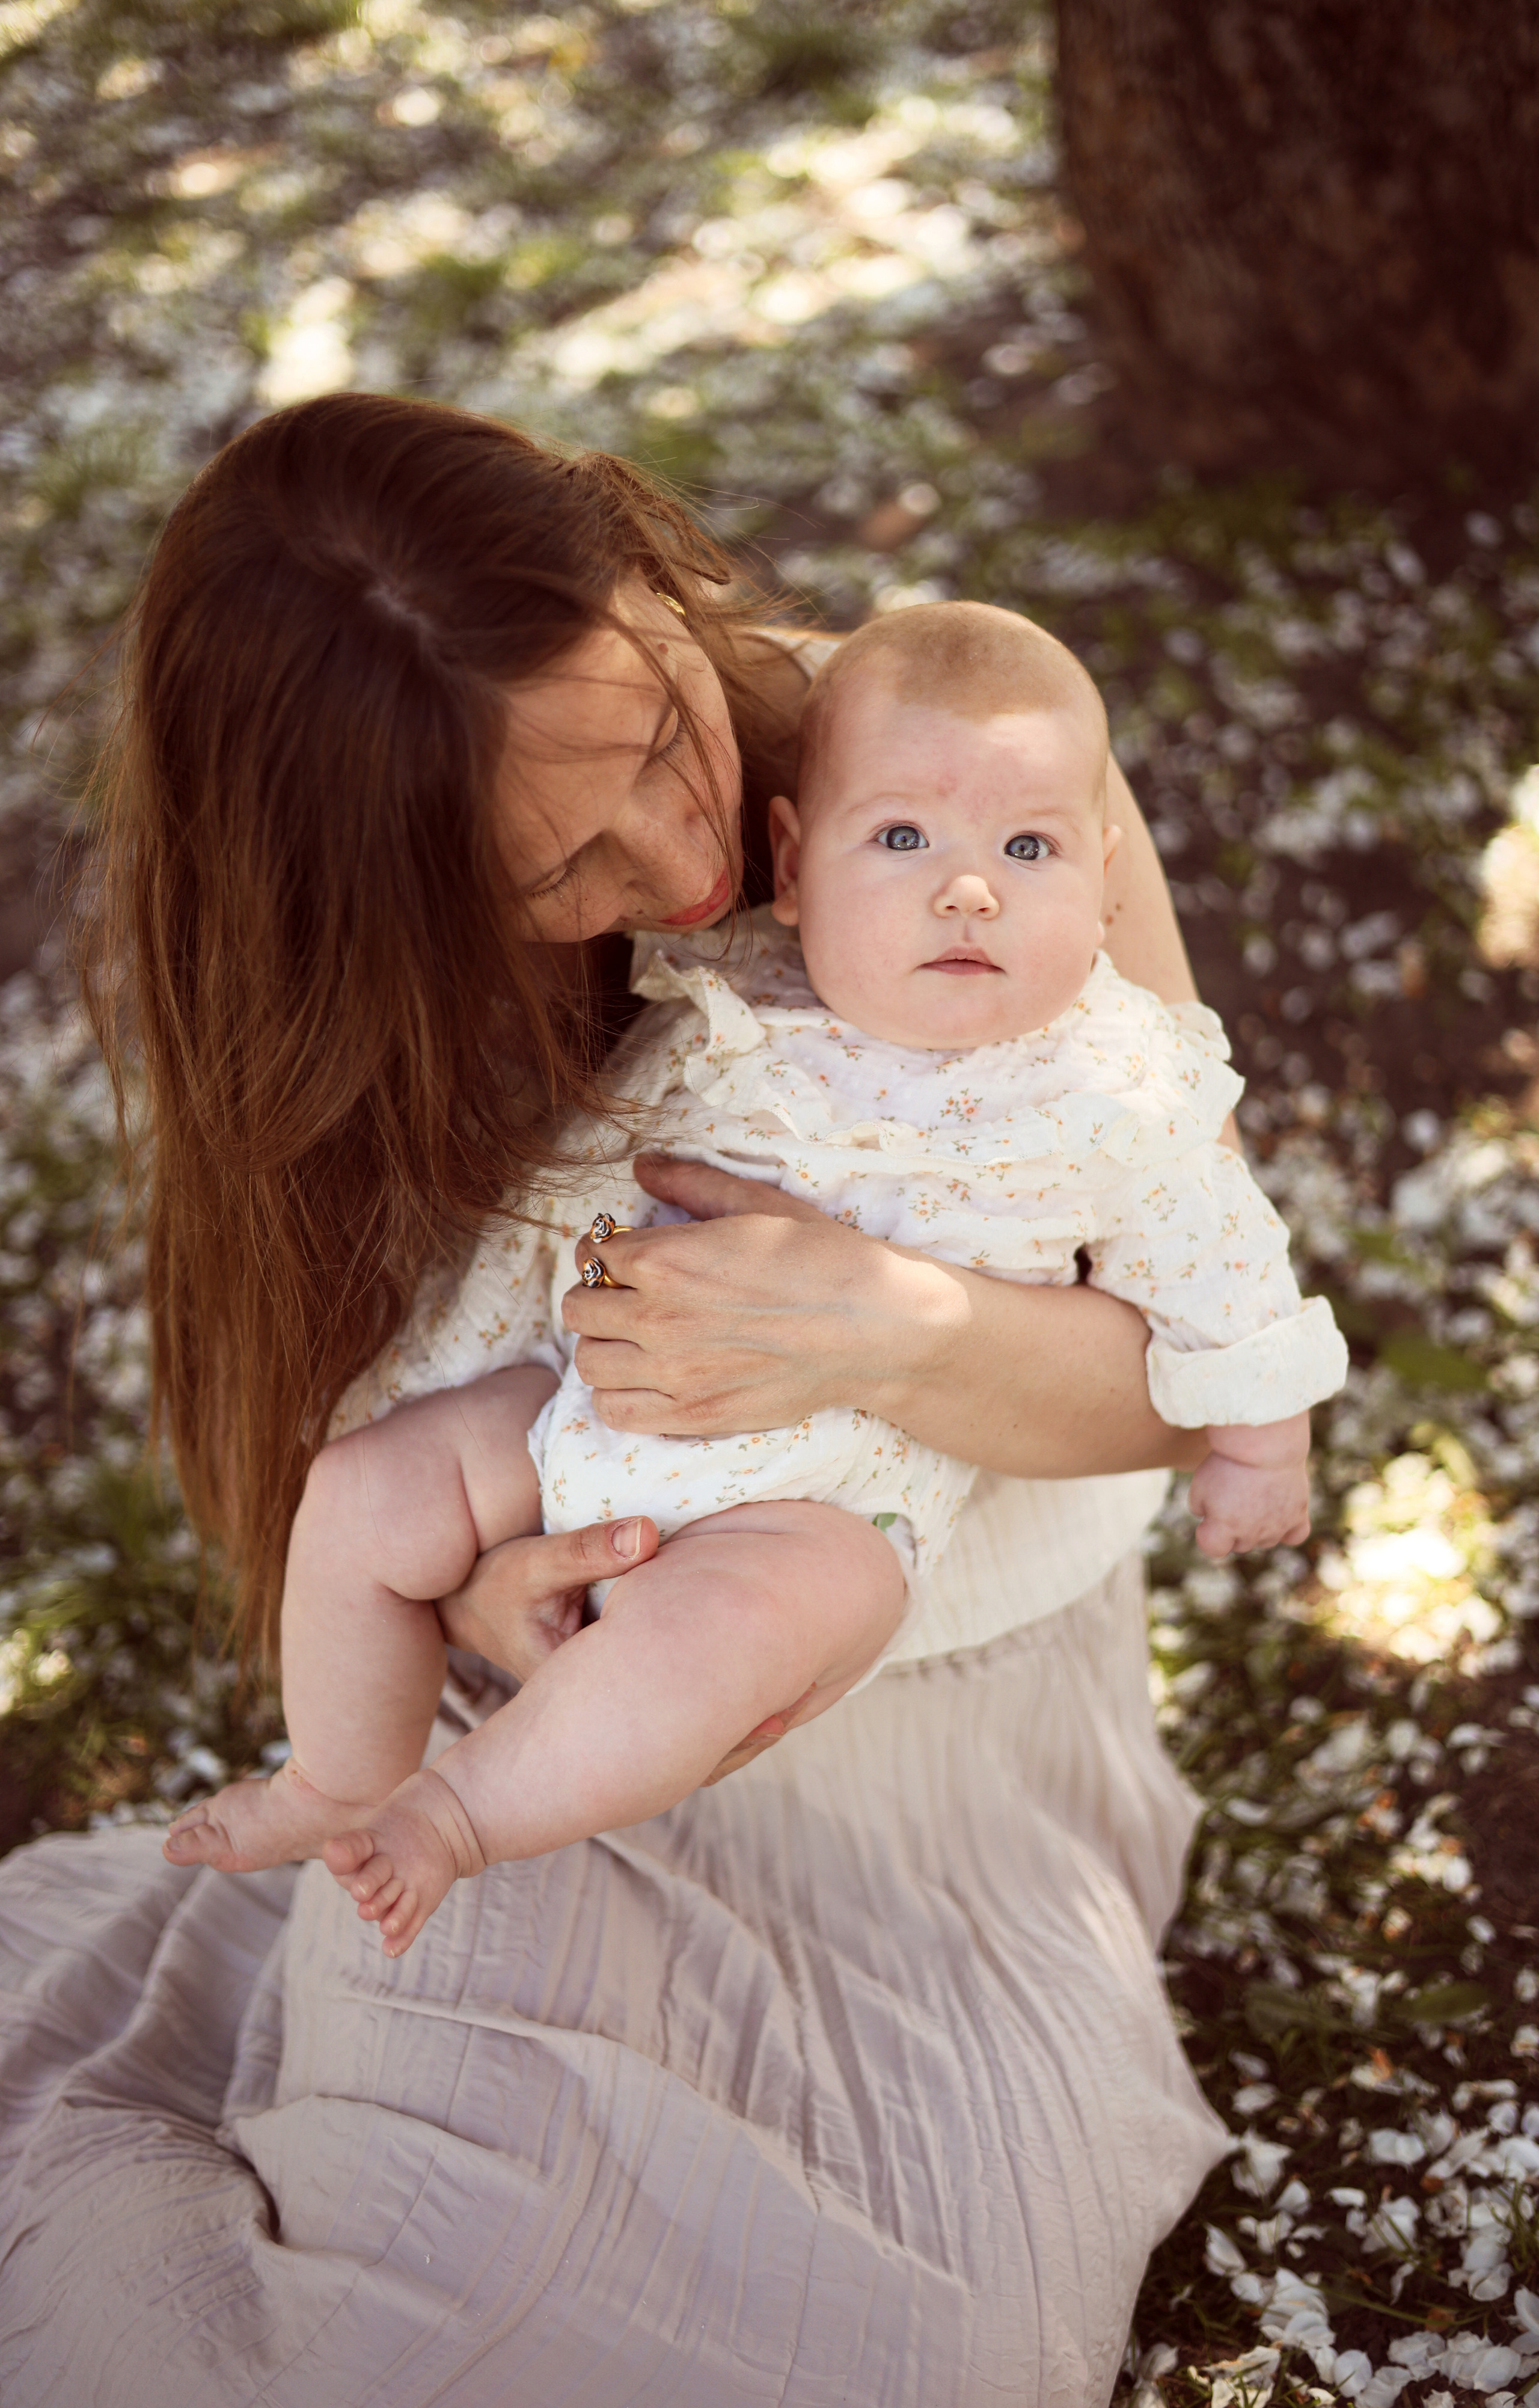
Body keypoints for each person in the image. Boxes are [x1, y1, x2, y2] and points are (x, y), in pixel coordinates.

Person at [0, 394, 1232, 2406]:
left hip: (951, 1719)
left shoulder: (956, 772)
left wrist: (887, 1326)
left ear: (651, 569)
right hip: (548, 1728)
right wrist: (491, 1602)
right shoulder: (380, 988)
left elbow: (1195, 1375)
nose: (676, 859)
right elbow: (389, 1441)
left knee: (925, 2345)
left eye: (661, 735)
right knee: (404, 2321)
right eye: (559, 866)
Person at [161, 601, 1345, 1964]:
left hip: (822, 1506)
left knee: (712, 1636)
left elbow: (1223, 1268)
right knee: (366, 1488)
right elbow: (555, 1213)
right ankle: (341, 1777)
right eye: (901, 842)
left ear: (1103, 883)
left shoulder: (1112, 1081)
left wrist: (1260, 1444)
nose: (970, 888)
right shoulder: (734, 1004)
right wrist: (463, 1550)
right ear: (794, 866)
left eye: (1029, 852)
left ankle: (459, 1817)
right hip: (584, 1409)